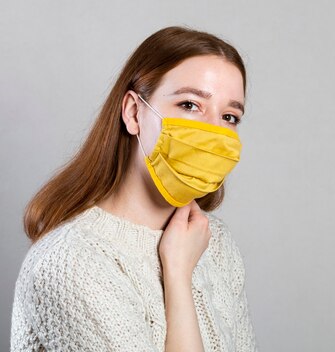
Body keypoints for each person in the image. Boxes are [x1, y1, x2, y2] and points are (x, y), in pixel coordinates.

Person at [10, 26, 257, 352]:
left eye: (229, 116)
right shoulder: (70, 264)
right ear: (133, 112)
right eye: (189, 105)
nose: (213, 131)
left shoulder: (215, 242)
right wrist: (178, 274)